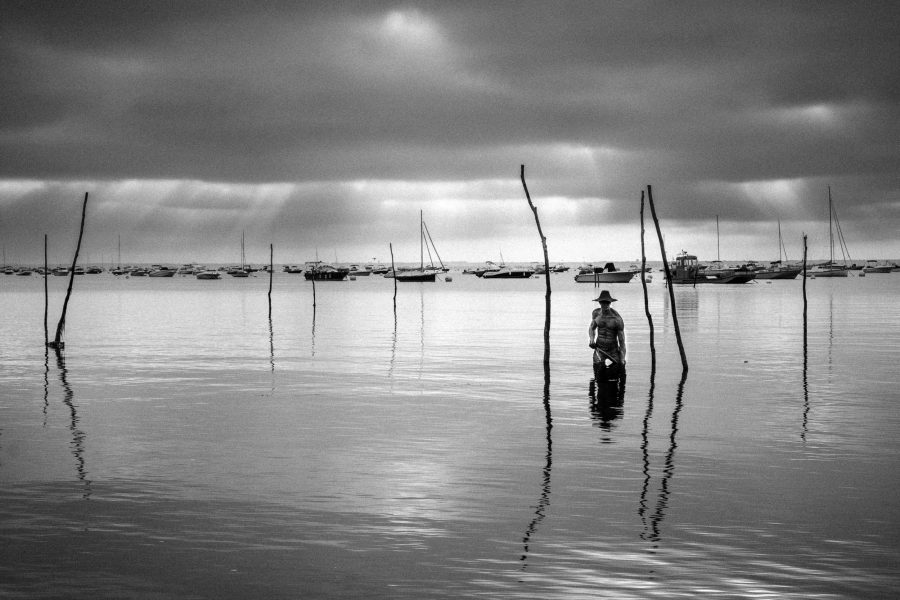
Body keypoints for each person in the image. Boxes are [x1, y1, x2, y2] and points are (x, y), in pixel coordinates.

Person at [588, 290, 626, 382]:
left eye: (607, 302)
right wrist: (591, 340)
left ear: (610, 303)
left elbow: (622, 341)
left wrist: (623, 357)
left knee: (618, 371)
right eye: (603, 302)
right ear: (600, 303)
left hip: (613, 350)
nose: (605, 304)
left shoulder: (617, 319)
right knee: (597, 372)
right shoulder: (596, 313)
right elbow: (592, 328)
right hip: (600, 348)